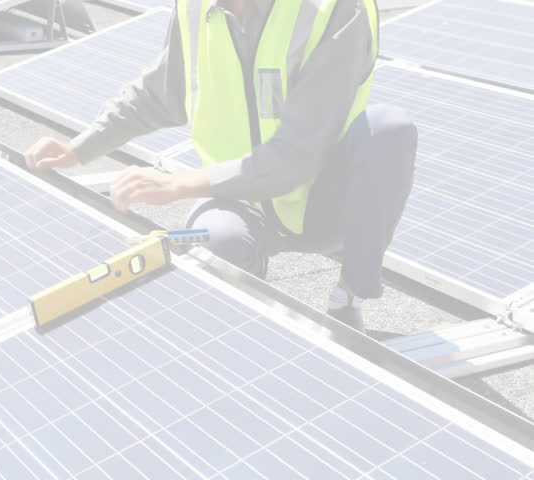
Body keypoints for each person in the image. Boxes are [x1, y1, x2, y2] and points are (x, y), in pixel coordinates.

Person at [24, 0, 418, 332]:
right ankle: (244, 322)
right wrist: (80, 147)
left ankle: (347, 297)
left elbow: (297, 155)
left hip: (321, 199)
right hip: (236, 198)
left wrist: (178, 184)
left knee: (388, 130)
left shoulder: (333, 9)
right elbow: (161, 92)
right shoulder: (195, 7)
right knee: (215, 244)